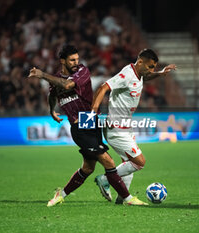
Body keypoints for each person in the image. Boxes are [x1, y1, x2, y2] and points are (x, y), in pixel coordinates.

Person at [27, 44, 148, 206]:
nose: (76, 62)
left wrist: (42, 74)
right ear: (62, 61)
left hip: (92, 122)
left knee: (88, 168)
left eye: (77, 59)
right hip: (79, 126)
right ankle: (128, 199)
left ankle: (60, 195)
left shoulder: (82, 71)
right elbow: (52, 94)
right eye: (72, 60)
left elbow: (67, 85)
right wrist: (51, 110)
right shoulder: (55, 79)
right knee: (108, 161)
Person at [91, 48, 176, 203]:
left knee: (128, 164)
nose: (151, 70)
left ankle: (121, 199)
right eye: (150, 66)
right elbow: (103, 87)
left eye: (154, 67)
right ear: (140, 61)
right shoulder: (127, 75)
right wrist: (93, 112)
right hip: (116, 128)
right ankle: (104, 179)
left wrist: (160, 73)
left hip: (125, 126)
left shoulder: (139, 73)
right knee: (139, 162)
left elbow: (146, 76)